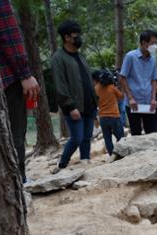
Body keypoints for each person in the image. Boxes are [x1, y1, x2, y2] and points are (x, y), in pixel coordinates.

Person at [0, 0, 40, 184]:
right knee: (14, 133)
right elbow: (8, 31)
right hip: (6, 76)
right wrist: (24, 73)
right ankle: (19, 181)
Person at [51, 20, 98, 172]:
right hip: (74, 107)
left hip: (90, 105)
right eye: (75, 34)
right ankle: (62, 164)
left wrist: (95, 102)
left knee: (86, 137)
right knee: (77, 138)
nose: (79, 37)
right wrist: (70, 106)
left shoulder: (81, 56)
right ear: (67, 37)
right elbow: (60, 85)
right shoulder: (58, 58)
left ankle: (85, 163)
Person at [119, 30, 157, 136]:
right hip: (134, 103)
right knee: (136, 133)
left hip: (149, 103)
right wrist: (130, 97)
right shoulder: (130, 56)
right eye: (152, 43)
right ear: (143, 42)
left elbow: (154, 79)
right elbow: (122, 78)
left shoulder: (153, 60)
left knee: (151, 133)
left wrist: (154, 98)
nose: (154, 46)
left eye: (156, 43)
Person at [92, 70, 124, 156]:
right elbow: (121, 97)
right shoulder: (112, 87)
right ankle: (121, 153)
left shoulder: (96, 89)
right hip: (114, 116)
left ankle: (111, 155)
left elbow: (94, 103)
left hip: (103, 117)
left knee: (107, 139)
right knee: (120, 137)